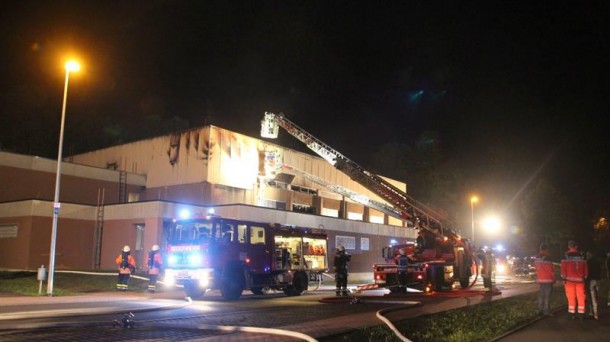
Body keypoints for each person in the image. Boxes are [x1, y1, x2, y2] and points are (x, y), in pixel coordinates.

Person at [560, 240, 588, 319]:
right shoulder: (582, 256)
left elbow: (563, 269)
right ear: (576, 246)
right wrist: (585, 276)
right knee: (581, 297)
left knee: (571, 297)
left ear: (569, 246)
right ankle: (581, 314)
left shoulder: (565, 256)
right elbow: (585, 268)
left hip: (569, 281)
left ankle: (572, 313)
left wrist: (563, 278)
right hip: (580, 281)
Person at [533, 244, 555, 316]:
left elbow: (536, 267)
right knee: (547, 296)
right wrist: (553, 278)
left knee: (541, 295)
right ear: (546, 249)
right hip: (548, 279)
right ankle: (547, 311)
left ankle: (540, 310)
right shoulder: (549, 257)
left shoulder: (537, 257)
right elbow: (551, 269)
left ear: (540, 249)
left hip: (541, 279)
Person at [585, 251, 600, 320]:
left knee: (591, 297)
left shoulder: (588, 262)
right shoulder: (597, 261)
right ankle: (596, 312)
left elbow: (587, 272)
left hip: (591, 281)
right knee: (596, 296)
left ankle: (593, 313)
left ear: (589, 255)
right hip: (598, 280)